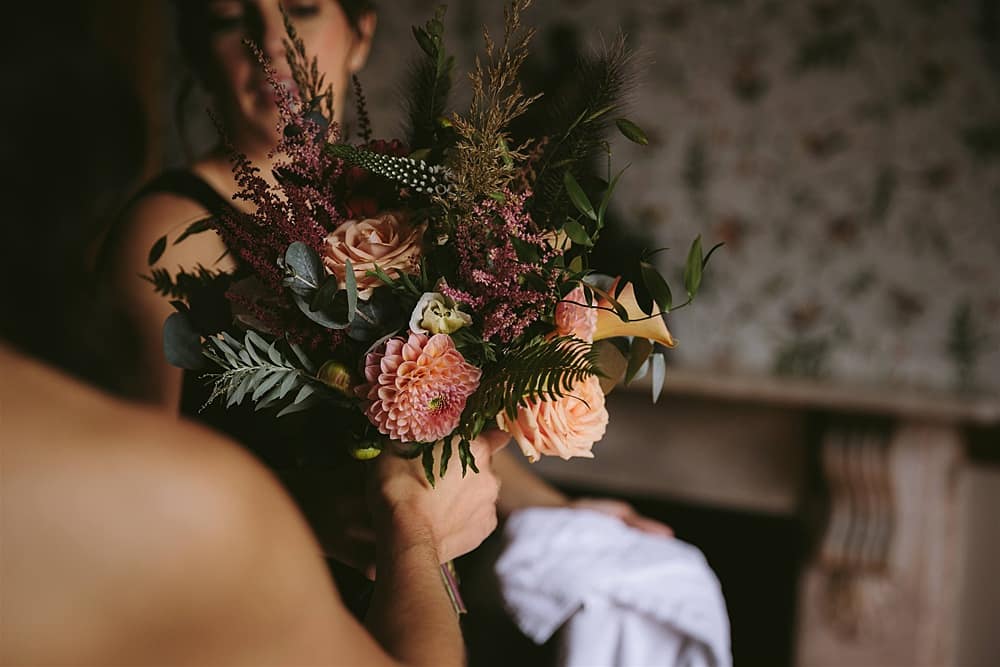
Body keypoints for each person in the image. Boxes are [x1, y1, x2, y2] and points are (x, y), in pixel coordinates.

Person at [101, 0, 670, 579]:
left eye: (302, 8)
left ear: (361, 33)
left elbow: (448, 426)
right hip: (252, 593)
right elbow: (127, 477)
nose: (272, 41)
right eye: (229, 19)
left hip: (401, 589)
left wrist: (564, 512)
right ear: (200, 54)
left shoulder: (394, 204)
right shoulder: (168, 231)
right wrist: (306, 513)